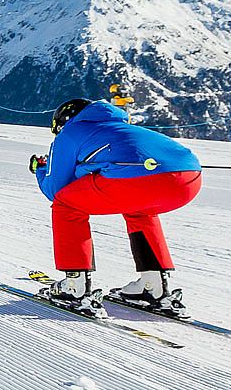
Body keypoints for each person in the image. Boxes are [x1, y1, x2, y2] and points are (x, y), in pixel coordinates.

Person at [30, 98, 202, 318]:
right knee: (140, 210)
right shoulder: (122, 127)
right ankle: (154, 286)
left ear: (62, 123)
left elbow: (55, 189)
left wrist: (40, 169)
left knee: (66, 204)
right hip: (188, 179)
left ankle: (75, 287)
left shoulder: (70, 133)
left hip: (138, 179)